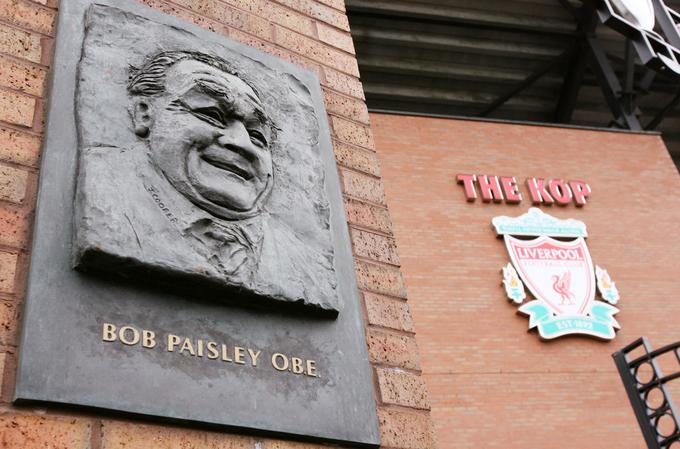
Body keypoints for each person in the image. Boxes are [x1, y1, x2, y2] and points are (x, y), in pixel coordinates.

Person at [73, 50, 338, 314]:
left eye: (257, 135)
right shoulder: (99, 189)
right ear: (144, 114)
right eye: (211, 114)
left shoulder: (309, 266)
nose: (243, 144)